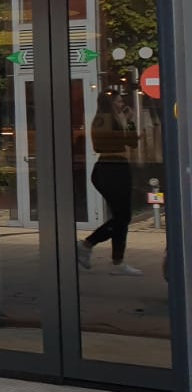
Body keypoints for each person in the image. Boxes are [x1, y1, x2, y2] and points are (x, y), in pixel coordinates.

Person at [80, 91, 141, 275]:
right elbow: (110, 143)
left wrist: (127, 122)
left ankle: (115, 259)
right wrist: (126, 124)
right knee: (122, 216)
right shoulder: (104, 119)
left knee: (121, 217)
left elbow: (131, 143)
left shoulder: (110, 119)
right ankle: (88, 245)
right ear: (110, 103)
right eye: (119, 101)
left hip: (114, 167)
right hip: (111, 168)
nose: (122, 105)